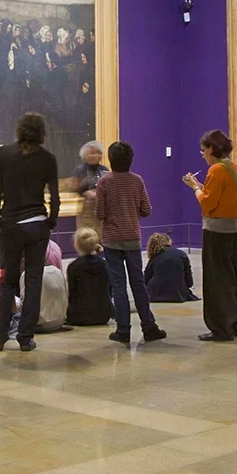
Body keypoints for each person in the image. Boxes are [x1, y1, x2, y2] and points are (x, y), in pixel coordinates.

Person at [0, 112, 60, 351]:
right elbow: (55, 196)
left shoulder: (4, 153)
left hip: (10, 223)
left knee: (7, 281)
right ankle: (25, 337)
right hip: (37, 223)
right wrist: (51, 221)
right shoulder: (48, 158)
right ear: (42, 132)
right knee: (33, 281)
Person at [94, 141, 165, 343]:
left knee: (118, 285)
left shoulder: (104, 182)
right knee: (138, 284)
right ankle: (149, 326)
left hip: (111, 240)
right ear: (131, 160)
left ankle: (123, 329)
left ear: (110, 159)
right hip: (132, 237)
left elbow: (99, 213)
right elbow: (147, 210)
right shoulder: (137, 181)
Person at [183, 129, 237, 342]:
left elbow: (207, 203)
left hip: (218, 232)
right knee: (236, 278)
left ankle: (221, 327)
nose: (202, 154)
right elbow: (230, 194)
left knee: (217, 281)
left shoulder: (215, 170)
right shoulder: (233, 167)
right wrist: (202, 187)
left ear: (212, 149)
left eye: (203, 150)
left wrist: (194, 187)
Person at [66, 229, 112, 326]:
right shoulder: (104, 264)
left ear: (77, 245)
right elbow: (109, 289)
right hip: (104, 315)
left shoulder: (74, 266)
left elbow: (72, 293)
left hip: (79, 316)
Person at [72, 140, 109, 236]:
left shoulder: (104, 170)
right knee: (86, 237)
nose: (95, 156)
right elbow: (76, 187)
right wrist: (86, 193)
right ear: (84, 155)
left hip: (102, 209)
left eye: (98, 153)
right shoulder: (79, 170)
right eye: (92, 153)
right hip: (86, 210)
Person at [144, 232, 196, 302]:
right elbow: (188, 278)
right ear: (168, 241)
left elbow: (146, 277)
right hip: (178, 293)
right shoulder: (181, 254)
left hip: (155, 293)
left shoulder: (155, 257)